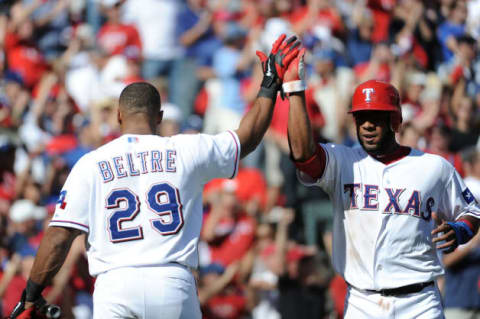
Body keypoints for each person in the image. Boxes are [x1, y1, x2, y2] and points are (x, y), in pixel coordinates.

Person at [8, 34, 301, 319]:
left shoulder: (91, 164)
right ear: (159, 117)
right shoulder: (186, 148)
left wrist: (31, 292)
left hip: (115, 284)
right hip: (172, 281)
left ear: (119, 116)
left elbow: (59, 235)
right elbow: (247, 138)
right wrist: (268, 84)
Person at [282, 51, 480, 318]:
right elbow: (304, 156)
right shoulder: (343, 161)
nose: (367, 125)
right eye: (361, 117)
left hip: (419, 302)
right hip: (362, 303)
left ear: (395, 121)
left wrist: (460, 230)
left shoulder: (433, 166)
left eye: (376, 117)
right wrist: (295, 90)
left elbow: (472, 212)